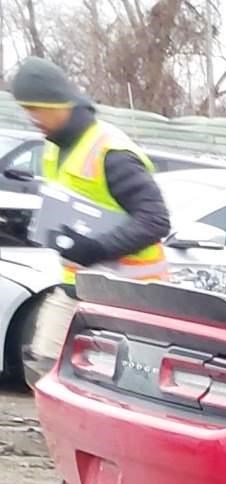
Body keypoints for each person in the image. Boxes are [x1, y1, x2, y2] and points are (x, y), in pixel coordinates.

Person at [8, 55, 169, 374]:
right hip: (78, 287)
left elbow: (155, 220)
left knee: (116, 387)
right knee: (44, 370)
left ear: (57, 103)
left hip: (131, 295)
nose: (31, 118)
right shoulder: (55, 148)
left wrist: (95, 248)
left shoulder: (112, 152)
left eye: (35, 109)